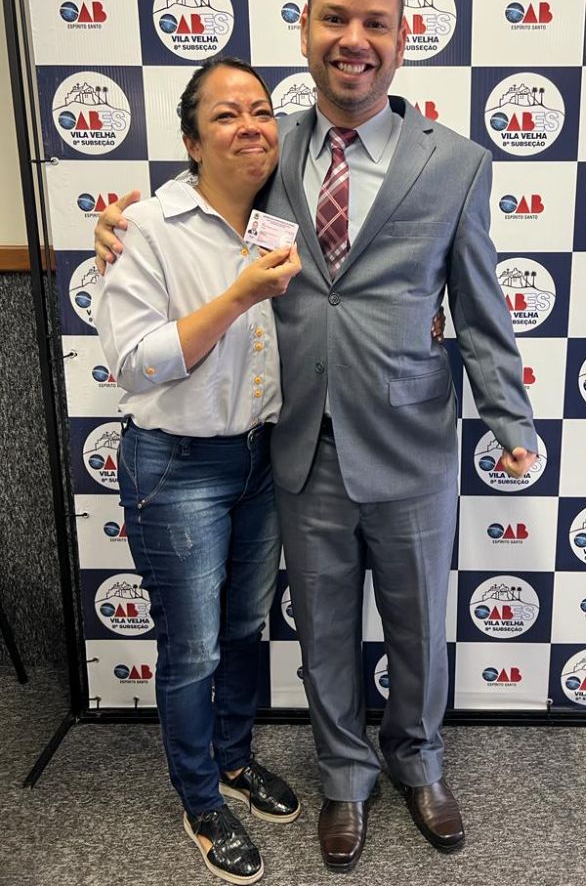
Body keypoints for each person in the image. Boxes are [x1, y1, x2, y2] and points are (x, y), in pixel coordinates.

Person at [96, 0, 537, 874]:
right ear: (304, 31)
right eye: (334, 17)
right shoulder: (271, 148)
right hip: (302, 447)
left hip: (413, 441)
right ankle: (343, 775)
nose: (354, 39)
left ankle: (419, 761)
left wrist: (510, 416)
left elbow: (481, 301)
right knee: (324, 629)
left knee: (419, 628)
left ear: (404, 38)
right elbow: (199, 203)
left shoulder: (456, 163)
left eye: (375, 22)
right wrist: (116, 228)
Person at [93, 57, 302, 886]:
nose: (250, 126)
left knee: (245, 627)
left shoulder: (282, 216)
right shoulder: (146, 227)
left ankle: (233, 759)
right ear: (191, 140)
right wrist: (239, 296)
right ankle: (199, 798)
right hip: (177, 466)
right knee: (192, 647)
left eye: (261, 111)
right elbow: (136, 363)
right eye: (226, 114)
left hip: (261, 457)